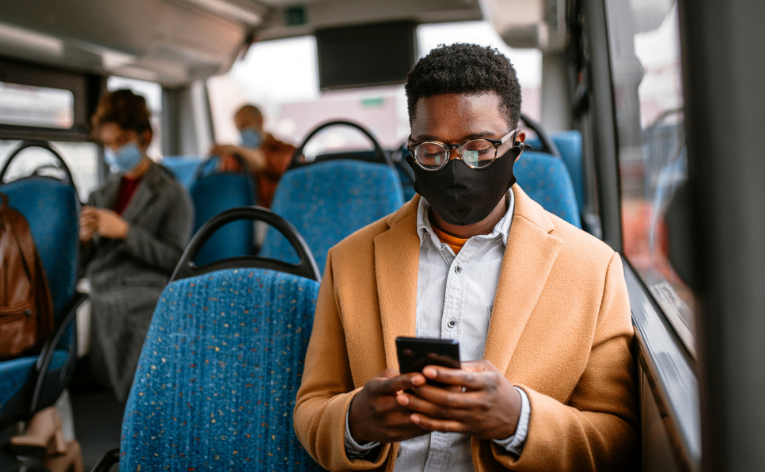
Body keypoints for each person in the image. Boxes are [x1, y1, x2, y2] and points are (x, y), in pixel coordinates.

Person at [293, 44, 638, 471]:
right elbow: (313, 404)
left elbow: (619, 436)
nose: (457, 167)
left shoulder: (594, 268)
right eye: (433, 152)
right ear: (411, 149)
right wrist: (355, 423)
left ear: (517, 145)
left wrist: (520, 420)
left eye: (479, 148)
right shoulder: (349, 260)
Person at [80, 89, 193, 403]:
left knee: (135, 310)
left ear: (144, 138)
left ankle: (141, 404)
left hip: (146, 282)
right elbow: (83, 262)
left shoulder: (172, 194)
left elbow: (176, 258)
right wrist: (84, 240)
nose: (115, 151)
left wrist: (126, 232)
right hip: (101, 279)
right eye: (108, 143)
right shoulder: (101, 193)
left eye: (121, 142)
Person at [209, 104, 296, 208]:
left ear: (260, 121)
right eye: (239, 129)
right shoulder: (240, 158)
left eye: (245, 126)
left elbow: (264, 162)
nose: (242, 132)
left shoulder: (287, 150)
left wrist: (237, 149)